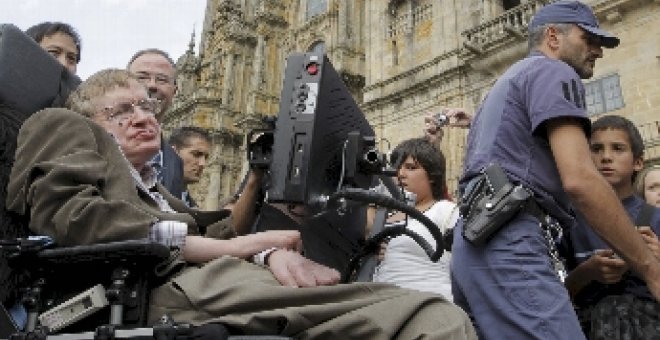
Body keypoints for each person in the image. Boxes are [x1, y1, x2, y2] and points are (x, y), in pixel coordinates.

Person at [6, 68, 477, 339]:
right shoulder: (62, 124)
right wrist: (237, 249)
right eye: (122, 110)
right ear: (88, 118)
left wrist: (266, 249)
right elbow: (74, 218)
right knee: (429, 319)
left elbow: (213, 232)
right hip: (146, 287)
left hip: (198, 281)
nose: (143, 117)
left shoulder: (151, 185)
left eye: (147, 106)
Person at [450, 1, 660, 339]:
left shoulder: (504, 85)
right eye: (588, 39)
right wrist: (651, 268)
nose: (597, 51)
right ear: (553, 36)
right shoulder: (554, 71)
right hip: (509, 239)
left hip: (475, 241)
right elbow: (580, 180)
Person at [562, 115, 660, 338]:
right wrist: (586, 272)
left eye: (617, 149)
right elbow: (559, 292)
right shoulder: (570, 223)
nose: (606, 157)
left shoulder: (655, 218)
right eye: (596, 149)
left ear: (638, 162)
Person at [371, 138, 458, 300]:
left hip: (429, 304)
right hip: (383, 306)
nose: (401, 174)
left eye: (411, 168)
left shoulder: (446, 211)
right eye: (397, 168)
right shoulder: (384, 217)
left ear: (432, 175)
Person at [127, 49, 185, 199]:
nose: (152, 85)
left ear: (175, 91)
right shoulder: (96, 137)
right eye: (142, 77)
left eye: (162, 80)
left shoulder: (175, 162)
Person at [168, 126, 212, 207]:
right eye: (196, 154)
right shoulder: (149, 193)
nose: (202, 163)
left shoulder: (194, 208)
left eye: (206, 157)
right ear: (173, 153)